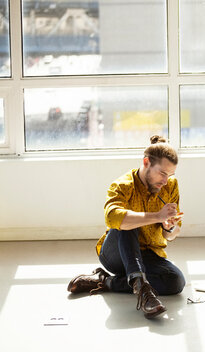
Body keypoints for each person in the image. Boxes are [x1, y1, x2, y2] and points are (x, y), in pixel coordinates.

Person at [67, 135, 186, 319]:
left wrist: (169, 227)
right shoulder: (123, 185)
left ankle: (107, 282)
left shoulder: (170, 186)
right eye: (162, 173)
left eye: (170, 175)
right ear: (146, 162)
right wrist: (156, 216)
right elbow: (112, 217)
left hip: (148, 255)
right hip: (116, 253)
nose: (165, 181)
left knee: (176, 282)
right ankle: (142, 289)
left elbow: (172, 235)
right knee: (127, 222)